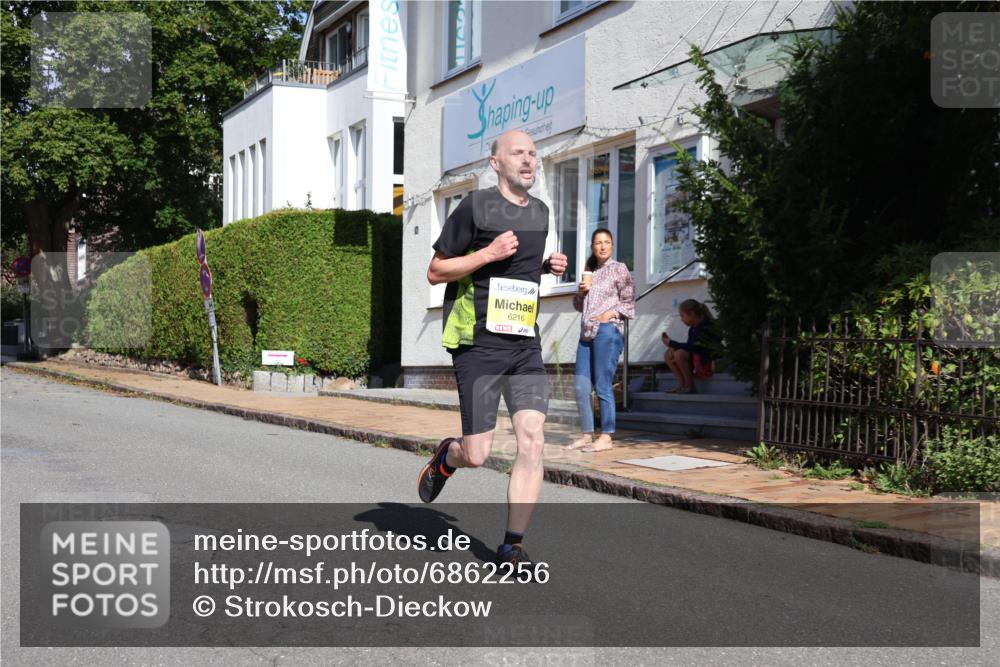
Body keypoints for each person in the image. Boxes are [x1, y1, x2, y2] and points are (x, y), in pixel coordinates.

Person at [417, 129, 568, 570]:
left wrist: (546, 267)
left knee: (533, 440)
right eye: (518, 153)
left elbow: (518, 272)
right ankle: (448, 457)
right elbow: (436, 271)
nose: (528, 159)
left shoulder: (540, 212)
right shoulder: (475, 206)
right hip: (478, 345)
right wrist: (487, 253)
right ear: (496, 162)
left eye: (533, 153)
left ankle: (511, 546)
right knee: (478, 454)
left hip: (523, 344)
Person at [567, 229, 635, 453]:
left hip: (607, 331)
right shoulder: (590, 272)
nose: (603, 246)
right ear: (592, 247)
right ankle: (587, 435)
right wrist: (581, 294)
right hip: (586, 333)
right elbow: (579, 306)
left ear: (612, 245)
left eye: (607, 242)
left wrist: (610, 314)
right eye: (598, 242)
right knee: (581, 386)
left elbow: (629, 301)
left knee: (603, 385)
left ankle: (606, 436)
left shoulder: (619, 268)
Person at [661, 299, 718, 394]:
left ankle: (689, 386)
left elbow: (695, 348)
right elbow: (690, 347)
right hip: (696, 358)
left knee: (679, 354)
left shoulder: (706, 325)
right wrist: (672, 347)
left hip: (706, 361)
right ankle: (682, 385)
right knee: (668, 354)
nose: (681, 319)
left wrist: (672, 344)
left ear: (691, 313)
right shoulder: (692, 329)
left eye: (682, 316)